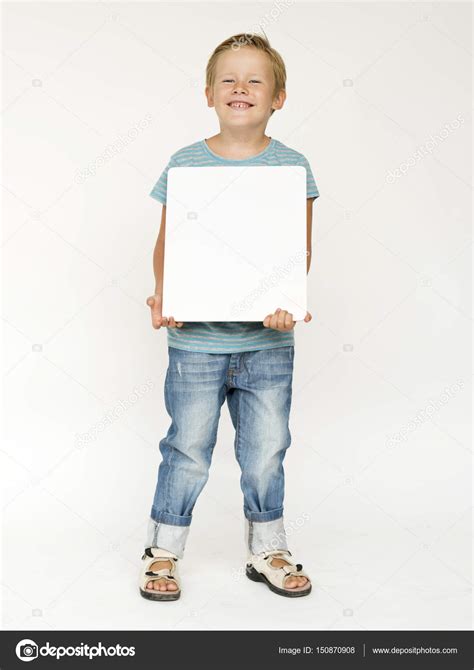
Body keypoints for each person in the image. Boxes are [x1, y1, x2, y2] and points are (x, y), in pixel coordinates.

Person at [139, 32, 320, 601]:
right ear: (209, 93)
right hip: (195, 343)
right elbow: (167, 242)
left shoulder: (293, 166)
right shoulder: (185, 162)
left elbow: (299, 251)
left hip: (267, 344)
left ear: (279, 97)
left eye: (256, 79)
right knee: (187, 448)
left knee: (266, 450)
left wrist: (290, 301)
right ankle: (163, 552)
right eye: (229, 79)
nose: (241, 88)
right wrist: (162, 294)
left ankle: (267, 549)